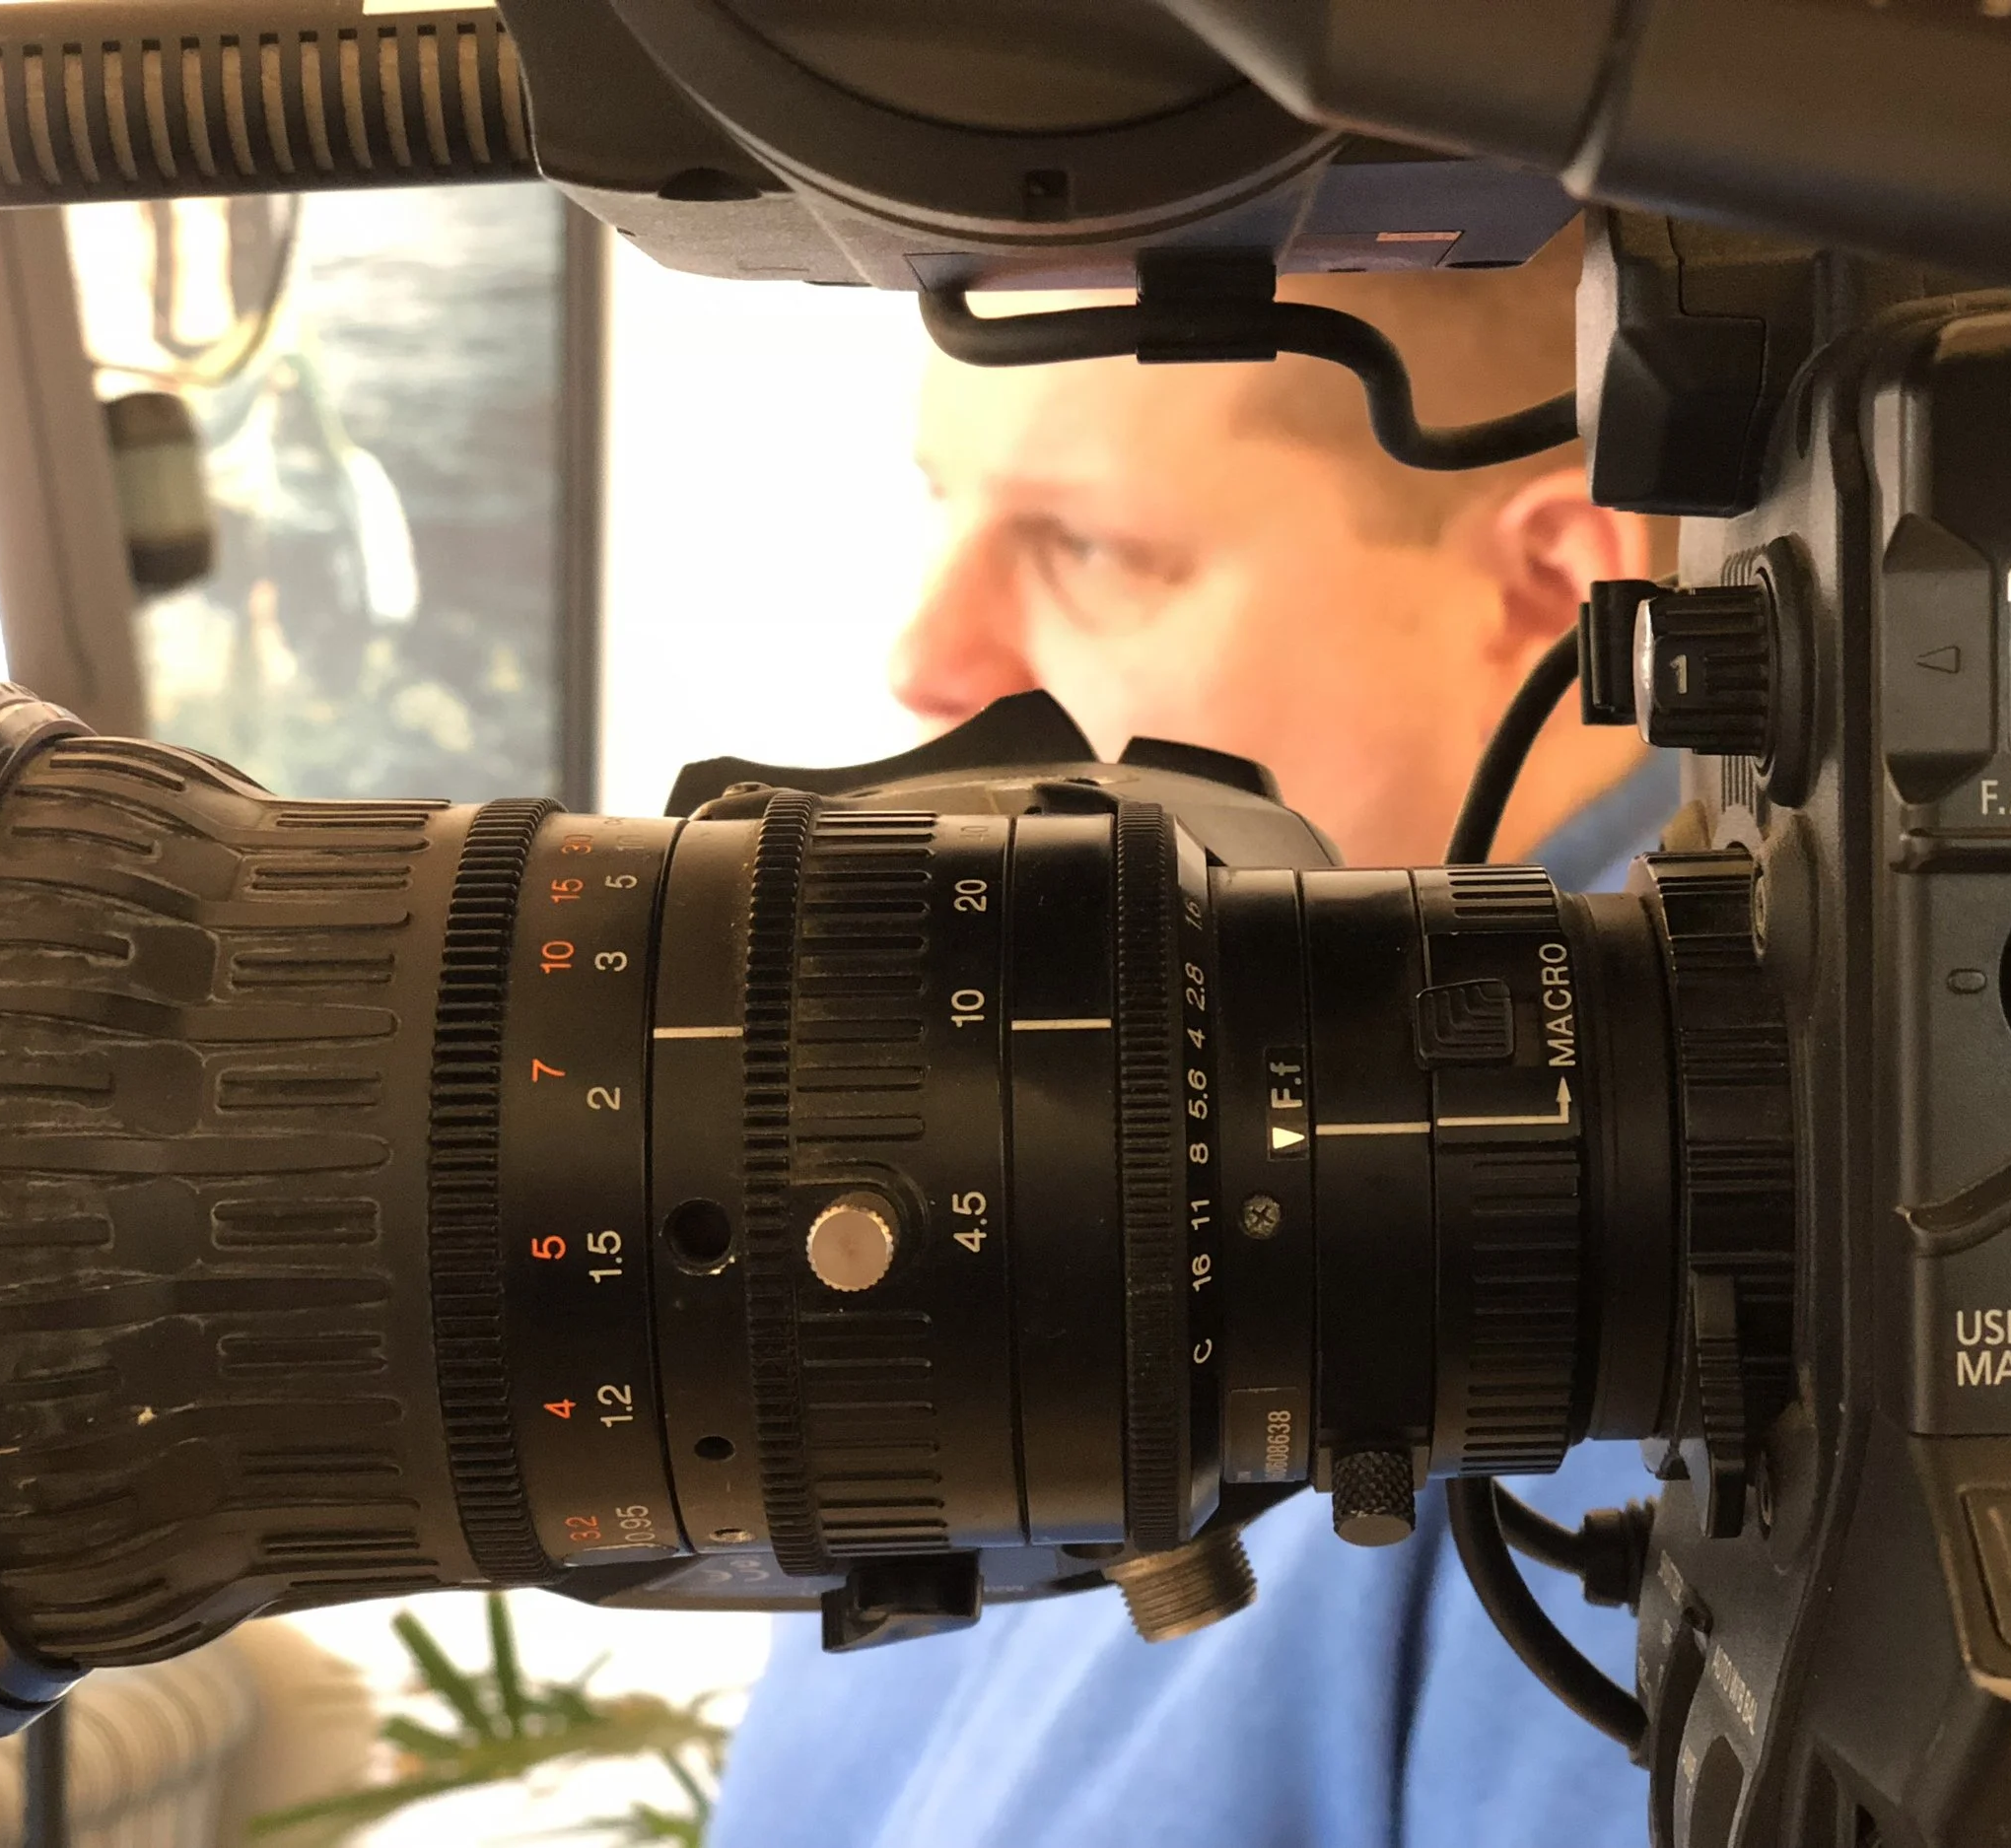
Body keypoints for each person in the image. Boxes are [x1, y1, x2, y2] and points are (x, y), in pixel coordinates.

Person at [711, 230, 1673, 1848]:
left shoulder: (1668, 1303)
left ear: (1552, 590)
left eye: (1088, 546)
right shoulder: (1081, 1147)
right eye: (948, 510)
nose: (927, 659)